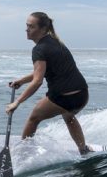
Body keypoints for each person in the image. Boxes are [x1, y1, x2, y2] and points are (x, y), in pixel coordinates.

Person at [6, 12, 94, 155]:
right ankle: (83, 149)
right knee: (69, 117)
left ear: (41, 29)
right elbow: (42, 71)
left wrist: (17, 102)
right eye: (26, 26)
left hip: (63, 97)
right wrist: (21, 81)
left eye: (31, 27)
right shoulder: (56, 43)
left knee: (33, 118)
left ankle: (21, 155)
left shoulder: (39, 49)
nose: (27, 29)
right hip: (82, 95)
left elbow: (38, 81)